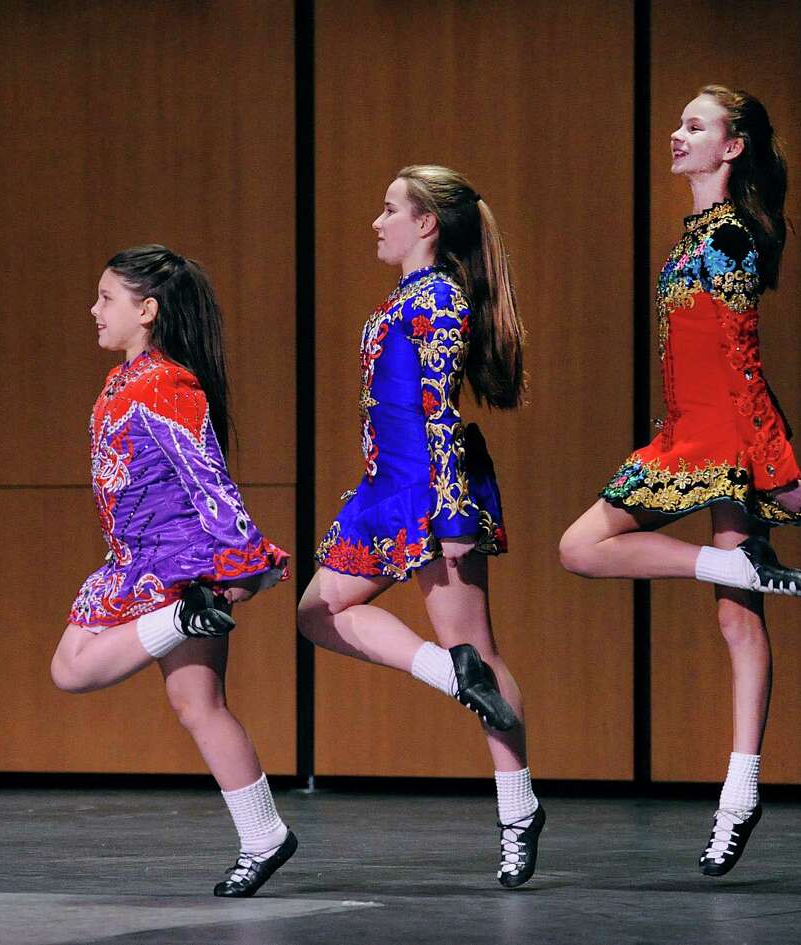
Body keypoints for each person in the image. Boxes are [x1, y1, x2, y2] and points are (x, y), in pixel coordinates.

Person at [558, 86, 801, 877]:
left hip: (731, 439)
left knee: (738, 625)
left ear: (731, 147)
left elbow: (743, 361)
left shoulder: (732, 238)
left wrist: (774, 466)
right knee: (580, 547)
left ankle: (739, 794)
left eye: (695, 125)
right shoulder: (697, 237)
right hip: (684, 436)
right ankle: (732, 564)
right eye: (679, 123)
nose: (677, 134)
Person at [298, 166, 543, 888]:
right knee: (318, 611)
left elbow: (438, 410)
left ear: (426, 223)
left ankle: (518, 809)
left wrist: (455, 514)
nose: (377, 221)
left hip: (430, 492)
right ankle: (447, 673)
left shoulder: (438, 297)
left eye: (388, 209)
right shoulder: (408, 296)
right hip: (385, 490)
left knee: (481, 649)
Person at [49, 245, 294, 898]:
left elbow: (205, 470)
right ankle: (265, 835)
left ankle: (183, 613)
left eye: (107, 298)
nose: (94, 309)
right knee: (196, 704)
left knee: (78, 668)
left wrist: (244, 558)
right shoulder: (126, 377)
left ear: (146, 309)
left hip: (176, 559)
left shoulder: (164, 381)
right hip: (135, 565)